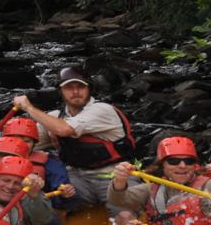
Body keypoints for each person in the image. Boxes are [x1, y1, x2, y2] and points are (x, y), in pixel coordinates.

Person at [13, 66, 138, 212]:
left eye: (80, 86)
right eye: (69, 88)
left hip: (116, 177)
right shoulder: (52, 118)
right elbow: (23, 146)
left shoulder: (103, 110)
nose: (75, 92)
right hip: (77, 180)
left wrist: (28, 107)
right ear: (61, 91)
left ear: (89, 89)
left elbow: (64, 129)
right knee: (45, 192)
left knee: (125, 215)